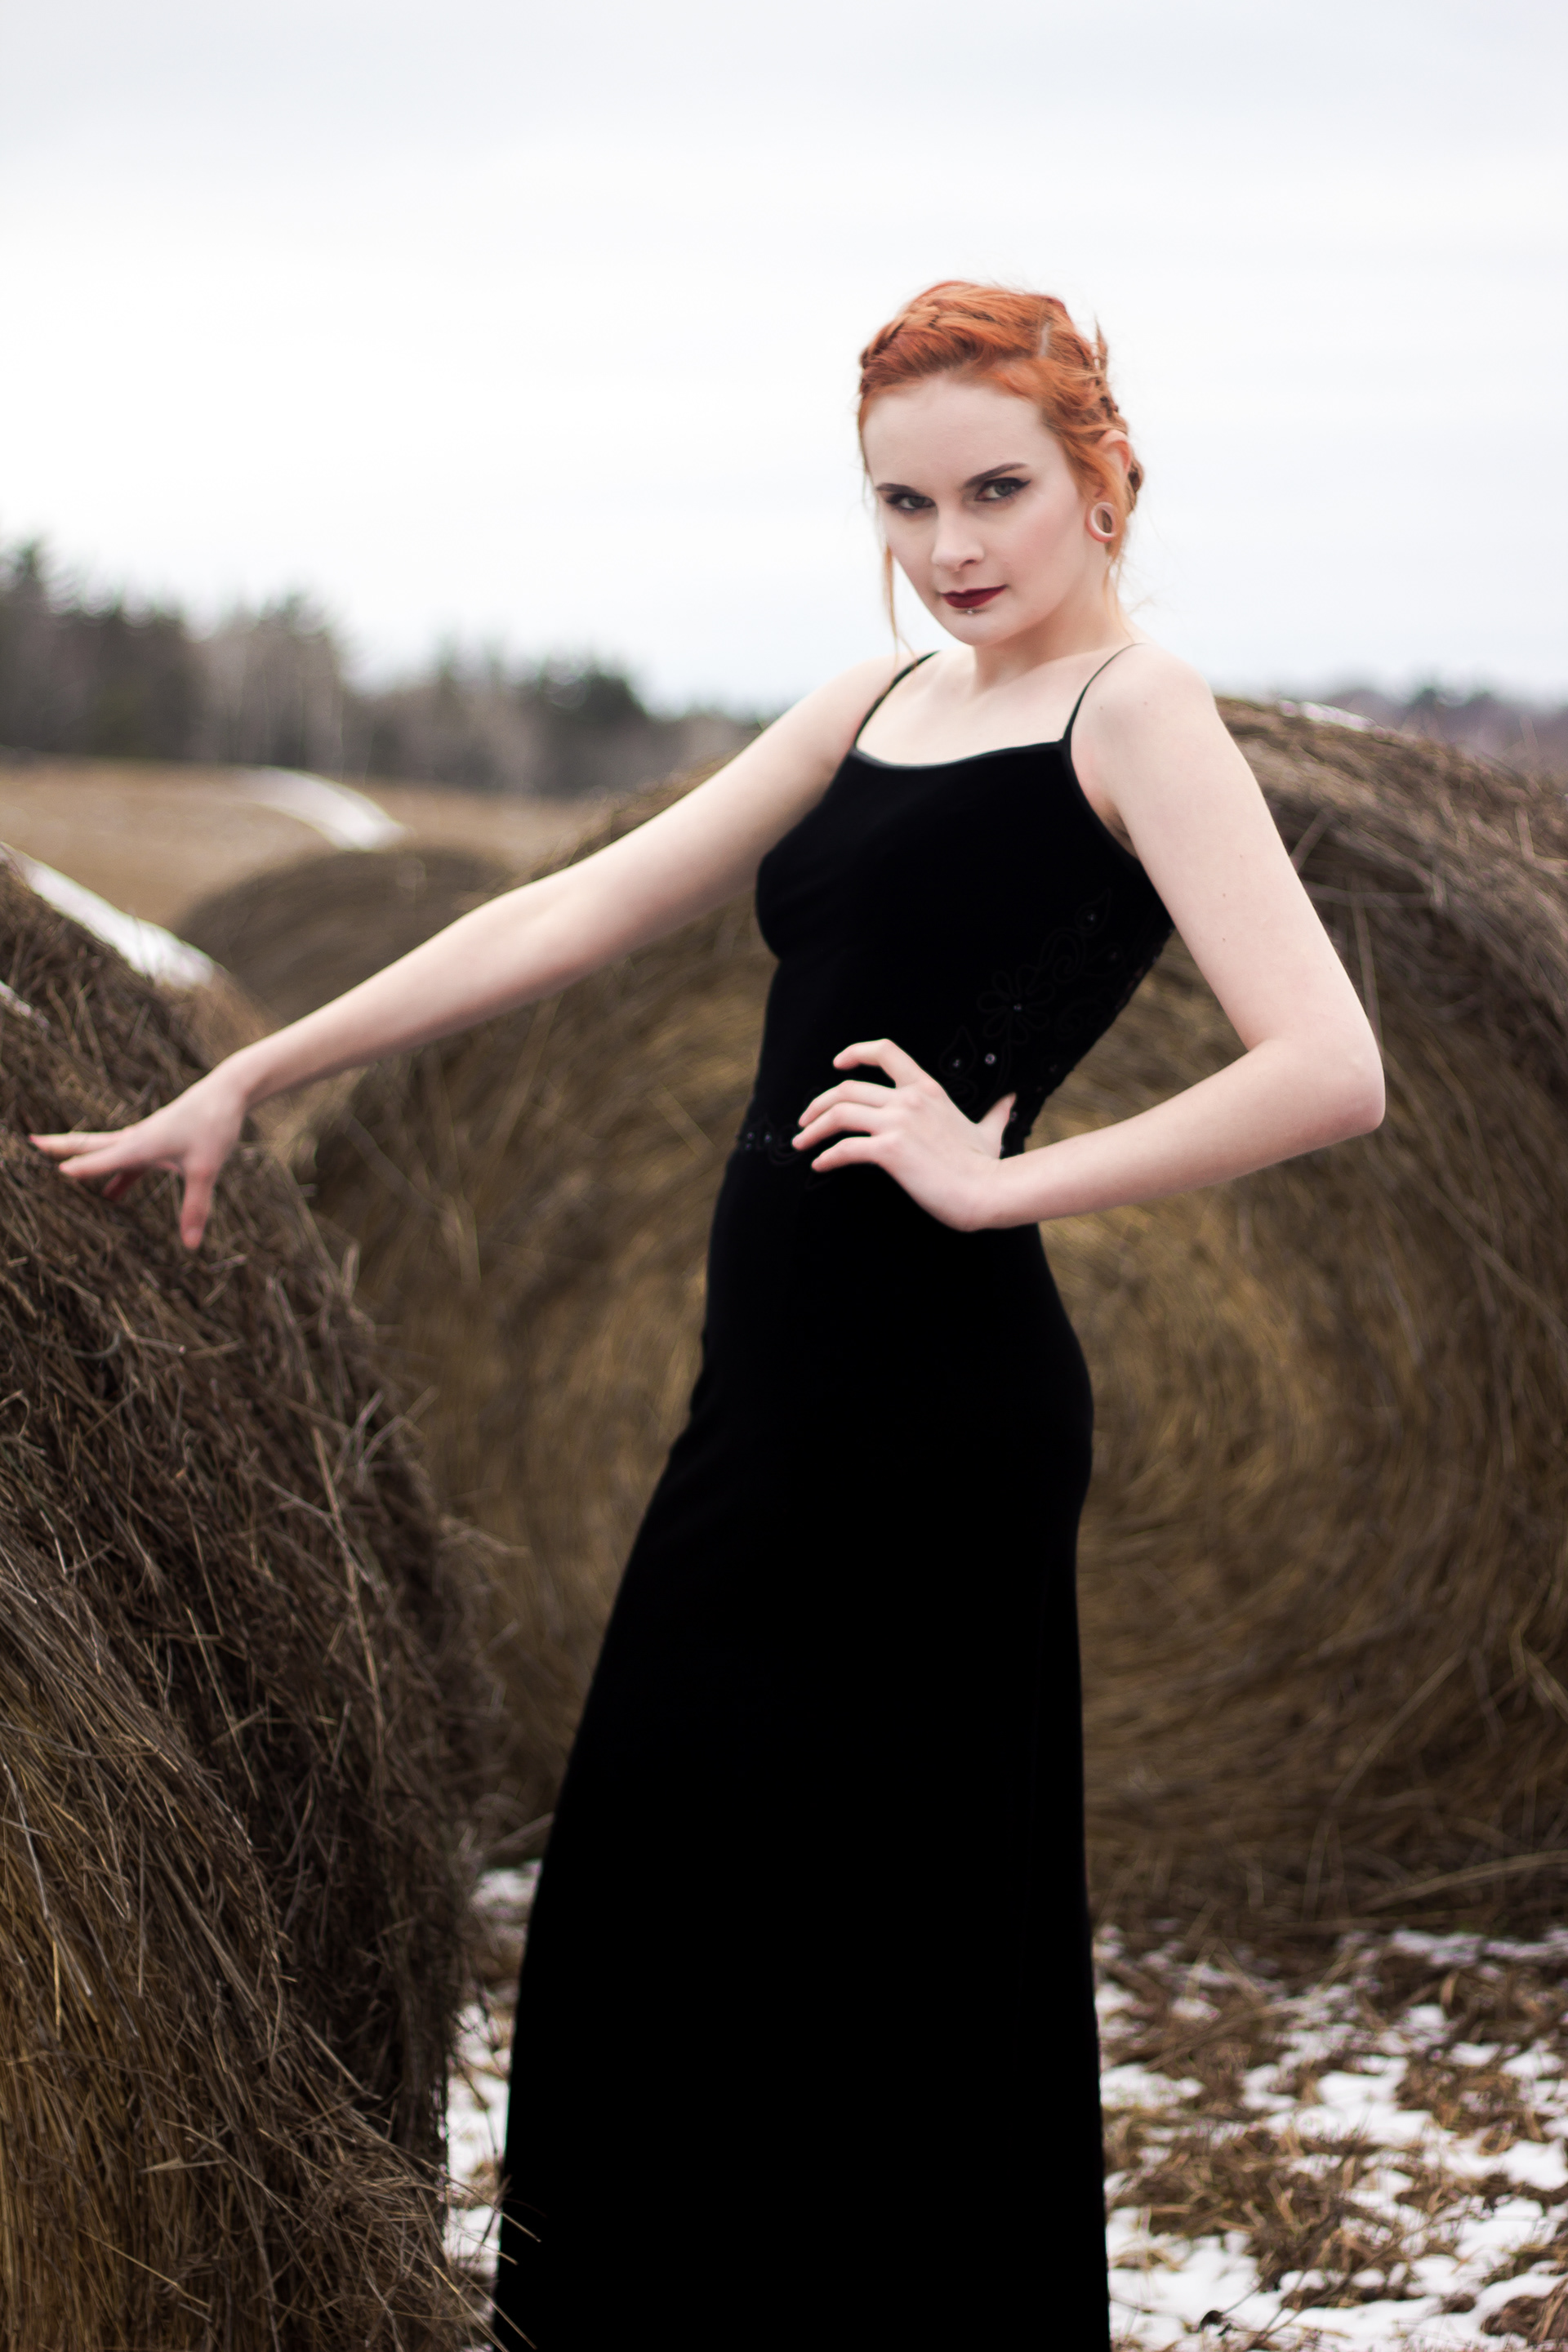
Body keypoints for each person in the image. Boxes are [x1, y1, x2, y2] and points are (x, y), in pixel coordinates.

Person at [31, 282, 1383, 2349]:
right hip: (772, 1387)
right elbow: (571, 910)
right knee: (657, 1902)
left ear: (1102, 477)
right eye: (905, 503)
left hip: (939, 1403)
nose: (950, 545)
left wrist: (1000, 1179)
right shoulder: (870, 704)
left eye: (997, 491)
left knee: (897, 1938)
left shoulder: (1139, 714)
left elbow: (1331, 1065)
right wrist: (257, 1068)